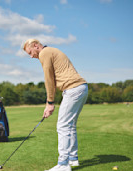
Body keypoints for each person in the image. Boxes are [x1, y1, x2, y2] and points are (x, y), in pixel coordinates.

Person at [23, 39, 88, 171]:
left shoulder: (44, 53)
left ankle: (63, 164)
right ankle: (72, 159)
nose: (31, 56)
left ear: (36, 46)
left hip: (73, 89)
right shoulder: (51, 51)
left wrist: (50, 103)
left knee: (63, 125)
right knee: (70, 125)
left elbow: (49, 79)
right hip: (81, 87)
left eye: (30, 52)